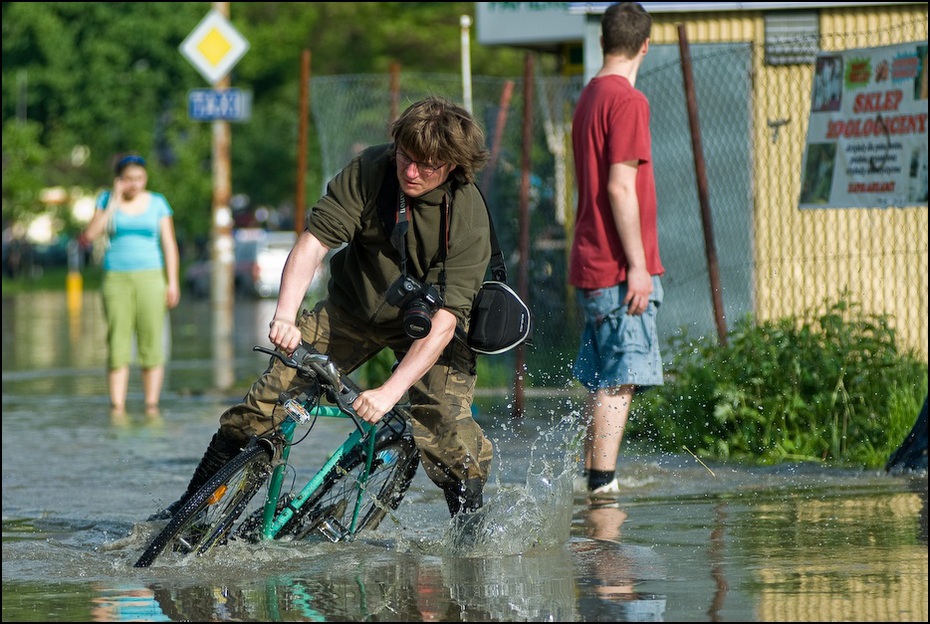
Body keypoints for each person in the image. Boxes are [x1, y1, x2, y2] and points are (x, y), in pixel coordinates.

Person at [150, 96, 494, 522]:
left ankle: (469, 531)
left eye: (427, 165)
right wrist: (284, 317)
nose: (410, 172)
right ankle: (190, 508)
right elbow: (314, 243)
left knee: (449, 431)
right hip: (350, 312)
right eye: (405, 157)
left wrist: (389, 393)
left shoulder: (468, 215)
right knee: (266, 401)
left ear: (453, 165)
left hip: (426, 332)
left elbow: (445, 322)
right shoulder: (371, 170)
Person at [569, 2, 666, 497]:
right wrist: (639, 266)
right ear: (644, 45)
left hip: (591, 260)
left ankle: (590, 478)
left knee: (604, 380)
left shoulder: (589, 96)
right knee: (621, 381)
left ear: (606, 40)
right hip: (616, 265)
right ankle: (601, 490)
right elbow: (620, 187)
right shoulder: (627, 101)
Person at [81, 154, 180, 418]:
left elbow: (169, 244)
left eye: (139, 178)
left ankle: (151, 406)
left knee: (151, 340)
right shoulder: (106, 201)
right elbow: (90, 235)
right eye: (128, 179)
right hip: (116, 278)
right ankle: (117, 407)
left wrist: (173, 282)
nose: (134, 184)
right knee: (118, 341)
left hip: (151, 277)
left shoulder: (157, 202)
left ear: (145, 178)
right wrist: (113, 200)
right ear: (120, 179)